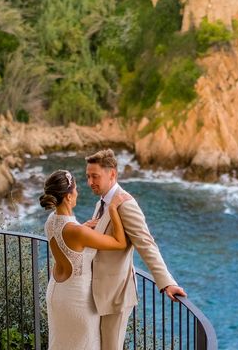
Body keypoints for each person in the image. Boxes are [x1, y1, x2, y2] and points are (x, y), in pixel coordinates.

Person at [84, 149, 187, 350]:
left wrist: (166, 283)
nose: (90, 182)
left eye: (95, 176)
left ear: (112, 174)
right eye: (88, 176)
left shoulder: (126, 204)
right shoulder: (102, 202)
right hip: (98, 293)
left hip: (116, 295)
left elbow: (146, 244)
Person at [40, 169, 131, 349]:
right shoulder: (77, 232)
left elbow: (66, 240)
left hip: (56, 295)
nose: (78, 193)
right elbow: (120, 243)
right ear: (68, 196)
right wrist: (112, 208)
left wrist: (83, 228)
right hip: (77, 301)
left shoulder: (51, 220)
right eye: (75, 189)